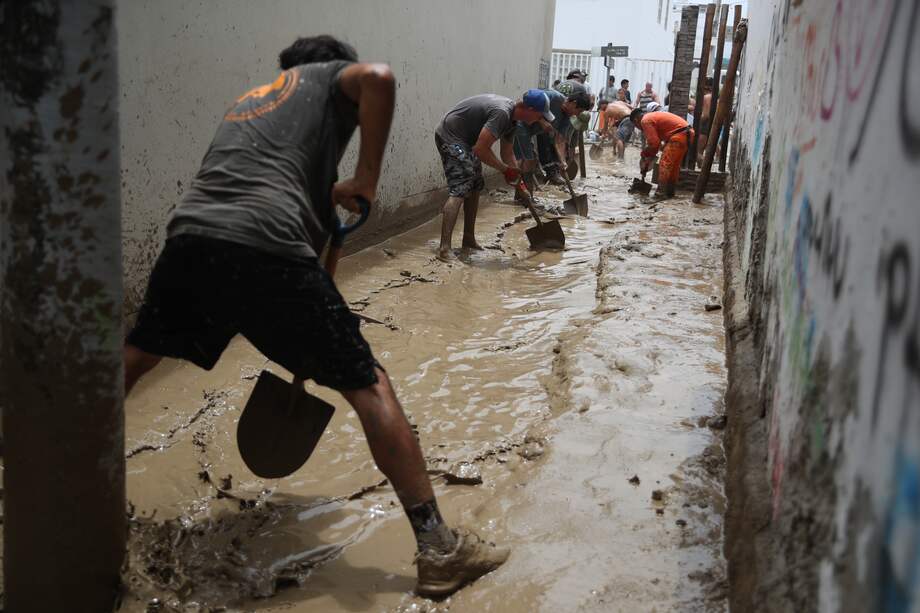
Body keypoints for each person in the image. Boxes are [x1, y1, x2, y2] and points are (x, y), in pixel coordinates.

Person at [123, 35, 509, 598]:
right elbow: (379, 77)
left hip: (192, 240)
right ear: (331, 70)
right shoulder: (323, 79)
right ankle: (439, 550)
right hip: (264, 244)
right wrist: (368, 177)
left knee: (137, 356)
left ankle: (48, 476)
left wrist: (325, 263)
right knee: (371, 386)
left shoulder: (255, 104)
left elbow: (311, 217)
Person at [436, 90, 550, 259]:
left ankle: (468, 240)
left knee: (476, 184)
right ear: (529, 109)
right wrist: (505, 170)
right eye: (540, 115)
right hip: (451, 136)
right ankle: (444, 249)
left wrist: (520, 186)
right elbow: (481, 149)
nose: (540, 119)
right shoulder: (502, 113)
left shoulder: (513, 122)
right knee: (461, 185)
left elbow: (507, 153)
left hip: (466, 142)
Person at [515, 84, 593, 196]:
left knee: (530, 162)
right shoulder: (554, 97)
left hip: (530, 133)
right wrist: (541, 120)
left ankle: (525, 197)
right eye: (578, 111)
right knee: (526, 161)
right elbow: (526, 100)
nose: (577, 114)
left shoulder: (567, 118)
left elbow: (560, 140)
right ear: (573, 103)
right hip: (521, 125)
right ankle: (524, 197)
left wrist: (562, 161)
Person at [631, 106, 694, 199]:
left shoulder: (645, 121)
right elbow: (656, 146)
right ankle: (670, 192)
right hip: (687, 134)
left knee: (664, 164)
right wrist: (648, 157)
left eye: (636, 126)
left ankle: (660, 193)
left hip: (678, 135)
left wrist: (645, 154)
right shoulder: (652, 117)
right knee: (674, 166)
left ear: (636, 120)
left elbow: (654, 144)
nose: (640, 129)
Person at [696, 77, 714, 165]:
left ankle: (703, 166)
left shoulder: (706, 97)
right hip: (712, 124)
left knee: (698, 150)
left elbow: (705, 114)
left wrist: (697, 121)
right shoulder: (715, 97)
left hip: (705, 125)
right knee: (704, 149)